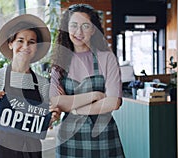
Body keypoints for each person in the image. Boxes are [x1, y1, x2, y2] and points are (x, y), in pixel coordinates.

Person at [49, 4, 125, 158]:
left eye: (85, 26)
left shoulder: (107, 58)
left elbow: (113, 102)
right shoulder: (59, 62)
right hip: (69, 138)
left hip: (103, 135)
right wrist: (94, 95)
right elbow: (56, 101)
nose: (79, 32)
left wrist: (75, 109)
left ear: (93, 30)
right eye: (74, 26)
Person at [0, 14, 60, 158]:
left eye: (31, 42)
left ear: (36, 48)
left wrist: (51, 118)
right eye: (20, 41)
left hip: (31, 151)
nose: (25, 46)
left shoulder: (42, 83)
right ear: (11, 44)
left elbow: (42, 126)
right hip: (2, 151)